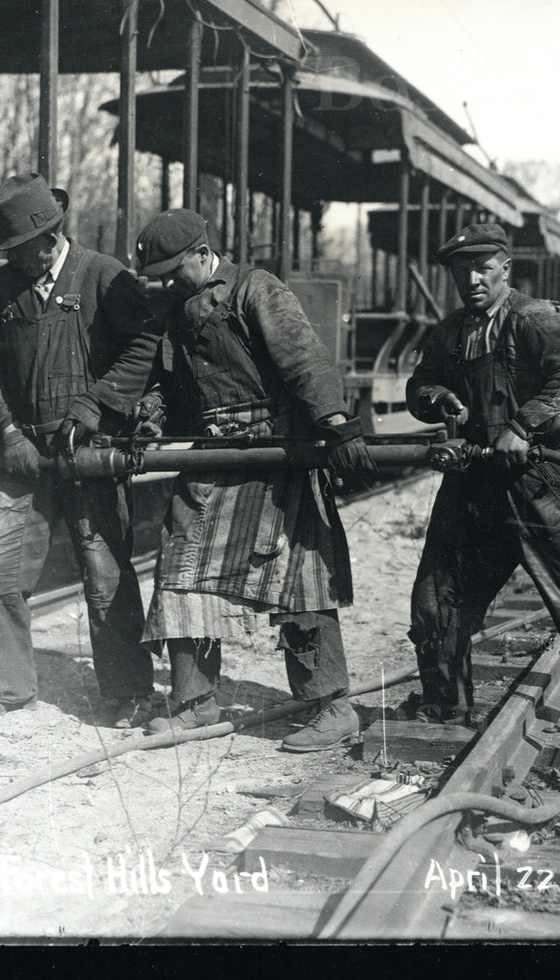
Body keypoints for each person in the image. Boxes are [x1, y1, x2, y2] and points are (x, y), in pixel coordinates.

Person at [131, 208, 376, 752]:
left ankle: (330, 706)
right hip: (214, 454)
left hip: (276, 450)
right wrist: (152, 408)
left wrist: (335, 426)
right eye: (161, 275)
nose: (168, 282)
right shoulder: (175, 309)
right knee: (179, 567)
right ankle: (195, 703)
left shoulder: (254, 289)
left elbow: (304, 361)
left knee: (298, 578)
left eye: (176, 270)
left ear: (203, 252)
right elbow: (174, 388)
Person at [404, 222, 560, 741]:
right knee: (437, 598)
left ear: (505, 267)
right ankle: (445, 705)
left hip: (538, 484)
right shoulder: (450, 331)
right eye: (461, 269)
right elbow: (418, 385)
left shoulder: (534, 319)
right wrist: (435, 397)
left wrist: (526, 425)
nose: (472, 278)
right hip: (473, 485)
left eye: (482, 267)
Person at [0, 172, 164, 728]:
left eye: (21, 249)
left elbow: (144, 348)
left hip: (91, 447)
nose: (15, 260)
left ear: (50, 238)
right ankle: (9, 688)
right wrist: (7, 430)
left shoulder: (104, 276)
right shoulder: (5, 287)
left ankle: (127, 693)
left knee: (105, 573)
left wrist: (92, 408)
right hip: (26, 451)